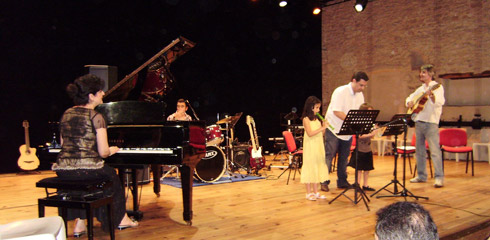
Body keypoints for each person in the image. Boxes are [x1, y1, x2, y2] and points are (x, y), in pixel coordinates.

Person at [51, 74, 138, 237]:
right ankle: (121, 219)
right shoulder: (96, 117)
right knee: (112, 176)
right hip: (88, 169)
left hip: (63, 169)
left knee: (80, 179)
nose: (103, 94)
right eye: (100, 91)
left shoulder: (67, 114)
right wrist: (114, 149)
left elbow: (64, 145)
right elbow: (103, 152)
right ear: (91, 96)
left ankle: (80, 223)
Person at [321, 71, 368, 191]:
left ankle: (342, 181)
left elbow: (359, 112)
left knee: (344, 157)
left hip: (347, 130)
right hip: (334, 128)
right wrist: (351, 122)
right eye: (360, 85)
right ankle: (323, 181)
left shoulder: (360, 95)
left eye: (364, 86)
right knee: (329, 155)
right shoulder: (340, 91)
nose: (362, 88)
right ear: (354, 81)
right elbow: (337, 111)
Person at [406, 64, 445, 188]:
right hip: (419, 122)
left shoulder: (437, 87)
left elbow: (440, 102)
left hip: (431, 123)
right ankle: (422, 176)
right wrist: (409, 102)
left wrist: (431, 95)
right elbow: (410, 97)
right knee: (420, 151)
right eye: (421, 72)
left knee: (435, 151)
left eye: (424, 73)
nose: (421, 75)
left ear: (430, 74)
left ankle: (439, 178)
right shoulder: (421, 88)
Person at [300, 96, 330, 200]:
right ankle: (308, 193)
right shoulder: (306, 119)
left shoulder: (317, 119)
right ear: (311, 107)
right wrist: (322, 127)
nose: (318, 110)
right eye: (316, 107)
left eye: (319, 108)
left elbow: (322, 134)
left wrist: (324, 126)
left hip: (318, 145)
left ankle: (316, 192)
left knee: (317, 166)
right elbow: (310, 133)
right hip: (310, 146)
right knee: (310, 167)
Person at [347, 103, 380, 192]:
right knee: (359, 168)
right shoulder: (359, 122)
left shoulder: (370, 123)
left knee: (367, 168)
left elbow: (371, 136)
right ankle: (357, 183)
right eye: (369, 112)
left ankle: (365, 184)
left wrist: (375, 131)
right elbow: (360, 136)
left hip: (368, 148)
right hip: (360, 148)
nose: (371, 114)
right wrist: (371, 133)